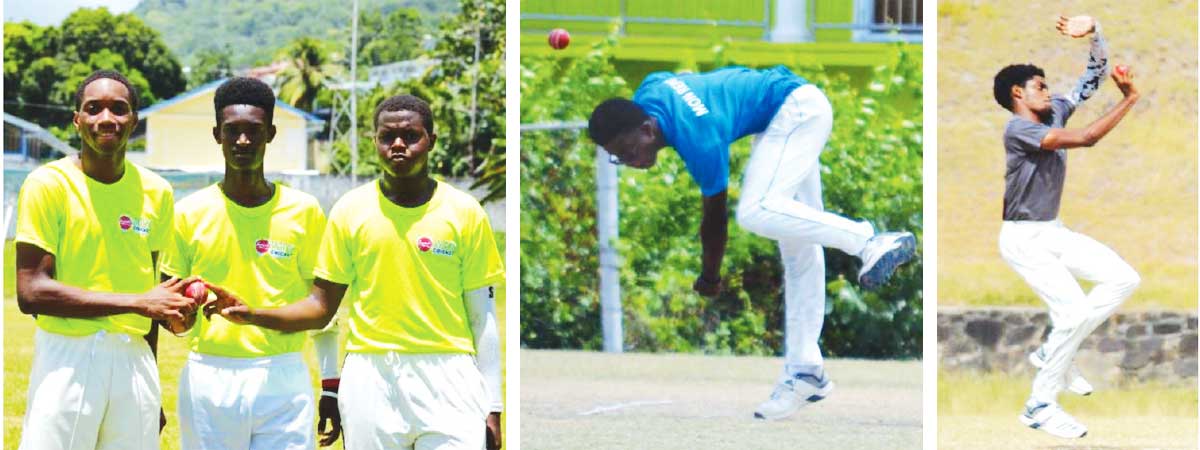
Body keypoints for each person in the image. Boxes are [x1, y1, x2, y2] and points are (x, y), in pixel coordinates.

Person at [587, 65, 916, 420]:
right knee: (798, 247)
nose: (628, 161)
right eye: (617, 156)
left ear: (649, 129)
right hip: (782, 116)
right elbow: (674, 75)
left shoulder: (700, 139)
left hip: (796, 111)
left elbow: (715, 221)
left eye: (627, 150)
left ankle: (869, 242)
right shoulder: (649, 93)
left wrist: (710, 277)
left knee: (756, 210)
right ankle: (805, 371)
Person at [207, 94, 505, 449]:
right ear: (374, 142)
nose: (397, 144)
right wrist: (253, 314)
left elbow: (482, 317)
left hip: (449, 373)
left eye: (410, 136)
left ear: (432, 141)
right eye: (386, 136)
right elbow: (320, 308)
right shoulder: (350, 210)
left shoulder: (464, 212)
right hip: (370, 376)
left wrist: (494, 405)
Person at [14, 69, 199, 449]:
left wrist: (150, 381)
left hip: (134, 360)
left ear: (133, 120)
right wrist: (137, 302)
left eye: (119, 108)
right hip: (68, 356)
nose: (106, 119)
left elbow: (151, 298)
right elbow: (31, 291)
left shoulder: (157, 192)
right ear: (77, 119)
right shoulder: (48, 185)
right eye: (93, 108)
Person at [158, 76, 341, 449]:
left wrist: (253, 315)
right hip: (210, 375)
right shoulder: (188, 213)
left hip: (283, 374)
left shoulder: (303, 211)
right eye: (233, 131)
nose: (243, 141)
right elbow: (170, 314)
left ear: (270, 133)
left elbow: (321, 310)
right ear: (216, 134)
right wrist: (181, 319)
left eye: (253, 131)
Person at [992, 15, 1141, 439]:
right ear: (1018, 93)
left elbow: (1091, 79)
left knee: (1122, 278)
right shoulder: (1018, 129)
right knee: (1073, 313)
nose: (1049, 90)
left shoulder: (1054, 109)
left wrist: (1095, 31)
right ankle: (1040, 404)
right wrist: (1130, 99)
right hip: (1023, 239)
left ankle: (1052, 349)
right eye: (1040, 85)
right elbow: (1088, 137)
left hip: (1052, 231)